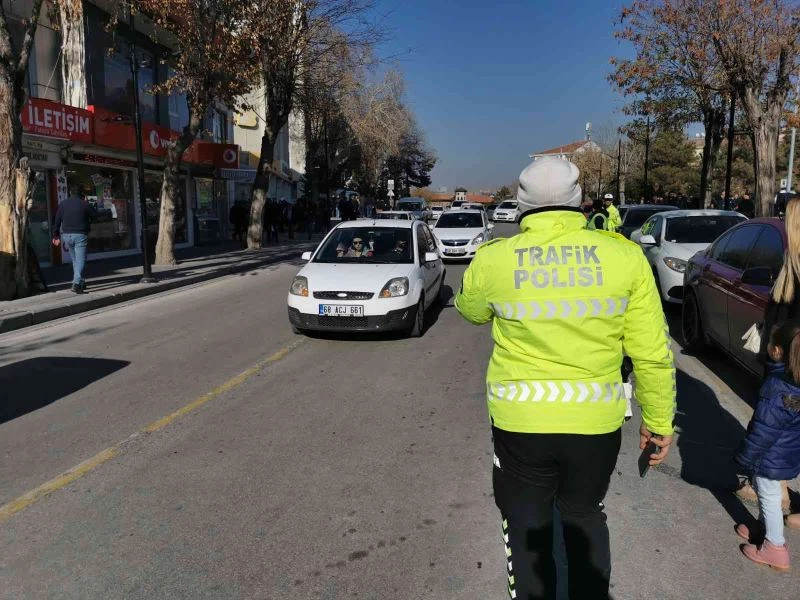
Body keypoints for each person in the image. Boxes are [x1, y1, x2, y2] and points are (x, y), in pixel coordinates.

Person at [455, 156, 675, 599]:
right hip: (595, 424)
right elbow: (651, 353)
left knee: (527, 528)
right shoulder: (625, 257)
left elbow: (471, 310)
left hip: (521, 424)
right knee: (585, 514)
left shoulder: (495, 258)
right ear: (580, 201)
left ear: (521, 204)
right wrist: (659, 421)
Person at [734, 320, 800, 571]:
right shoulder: (793, 382)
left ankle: (775, 547)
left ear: (776, 351)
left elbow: (763, 431)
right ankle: (764, 528)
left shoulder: (778, 387)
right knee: (768, 495)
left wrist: (745, 457)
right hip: (787, 454)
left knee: (770, 495)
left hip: (770, 456)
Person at [52, 188, 94, 294]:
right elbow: (95, 215)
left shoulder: (63, 204)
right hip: (80, 235)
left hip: (67, 235)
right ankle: (76, 283)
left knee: (75, 260)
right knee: (80, 260)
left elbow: (57, 220)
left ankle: (81, 282)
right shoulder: (84, 204)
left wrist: (55, 235)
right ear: (82, 195)